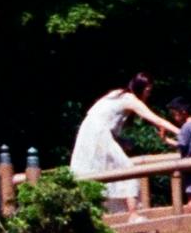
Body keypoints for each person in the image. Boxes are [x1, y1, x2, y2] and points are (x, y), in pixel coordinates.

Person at [70, 73, 168, 217]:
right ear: (141, 88)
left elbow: (106, 121)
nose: (148, 95)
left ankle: (108, 214)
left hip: (90, 132)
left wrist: (121, 141)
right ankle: (133, 214)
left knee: (100, 171)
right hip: (97, 133)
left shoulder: (116, 94)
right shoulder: (129, 98)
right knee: (127, 168)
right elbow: (156, 119)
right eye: (148, 91)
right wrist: (181, 131)